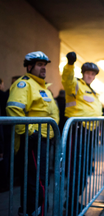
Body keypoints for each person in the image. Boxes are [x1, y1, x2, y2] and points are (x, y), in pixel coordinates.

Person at [6, 51, 59, 216]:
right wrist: (30, 132)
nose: (43, 68)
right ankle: (34, 212)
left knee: (39, 180)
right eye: (39, 65)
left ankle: (31, 212)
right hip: (32, 140)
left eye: (44, 65)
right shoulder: (25, 84)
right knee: (36, 182)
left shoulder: (43, 87)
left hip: (44, 139)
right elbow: (14, 109)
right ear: (29, 66)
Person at [61, 52, 103, 216]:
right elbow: (67, 79)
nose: (90, 76)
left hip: (89, 133)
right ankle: (71, 203)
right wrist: (70, 64)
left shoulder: (91, 90)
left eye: (92, 74)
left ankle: (73, 200)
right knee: (76, 168)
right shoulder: (76, 85)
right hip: (78, 130)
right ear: (83, 73)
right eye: (88, 73)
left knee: (85, 169)